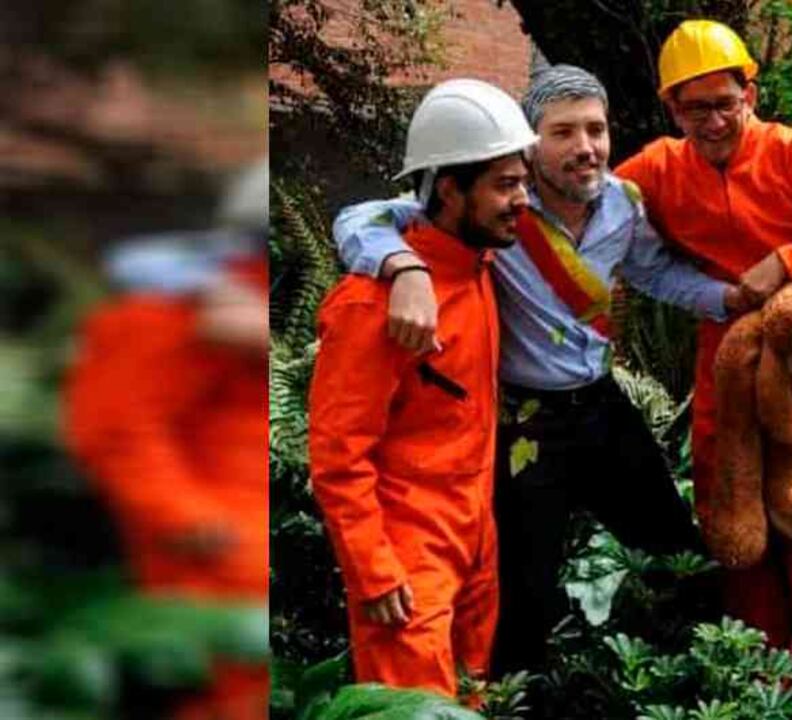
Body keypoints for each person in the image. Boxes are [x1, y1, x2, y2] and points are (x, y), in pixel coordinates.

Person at [332, 64, 745, 677]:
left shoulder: (624, 206)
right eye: (563, 132)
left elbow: (656, 273)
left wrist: (731, 299)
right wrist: (403, 266)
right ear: (529, 145)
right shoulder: (494, 206)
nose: (586, 147)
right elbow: (359, 218)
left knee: (677, 552)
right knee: (523, 594)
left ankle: (701, 683)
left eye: (596, 130)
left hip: (601, 403)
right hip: (525, 421)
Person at [613, 20, 792, 717]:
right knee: (735, 533)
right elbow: (579, 203)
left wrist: (787, 262)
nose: (714, 121)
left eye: (726, 102)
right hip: (723, 366)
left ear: (750, 93)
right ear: (672, 109)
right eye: (696, 108)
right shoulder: (654, 169)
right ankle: (760, 696)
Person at [307, 79, 535, 698]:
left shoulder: (479, 262)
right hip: (407, 561)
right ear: (451, 190)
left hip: (475, 542)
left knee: (472, 700)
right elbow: (338, 454)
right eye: (505, 185)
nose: (522, 200)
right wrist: (373, 569)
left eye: (522, 182)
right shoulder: (371, 305)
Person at [62, 158, 271, 720]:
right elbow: (115, 427)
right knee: (225, 691)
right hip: (220, 550)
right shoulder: (178, 307)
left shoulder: (252, 301)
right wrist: (189, 519)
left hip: (254, 532)